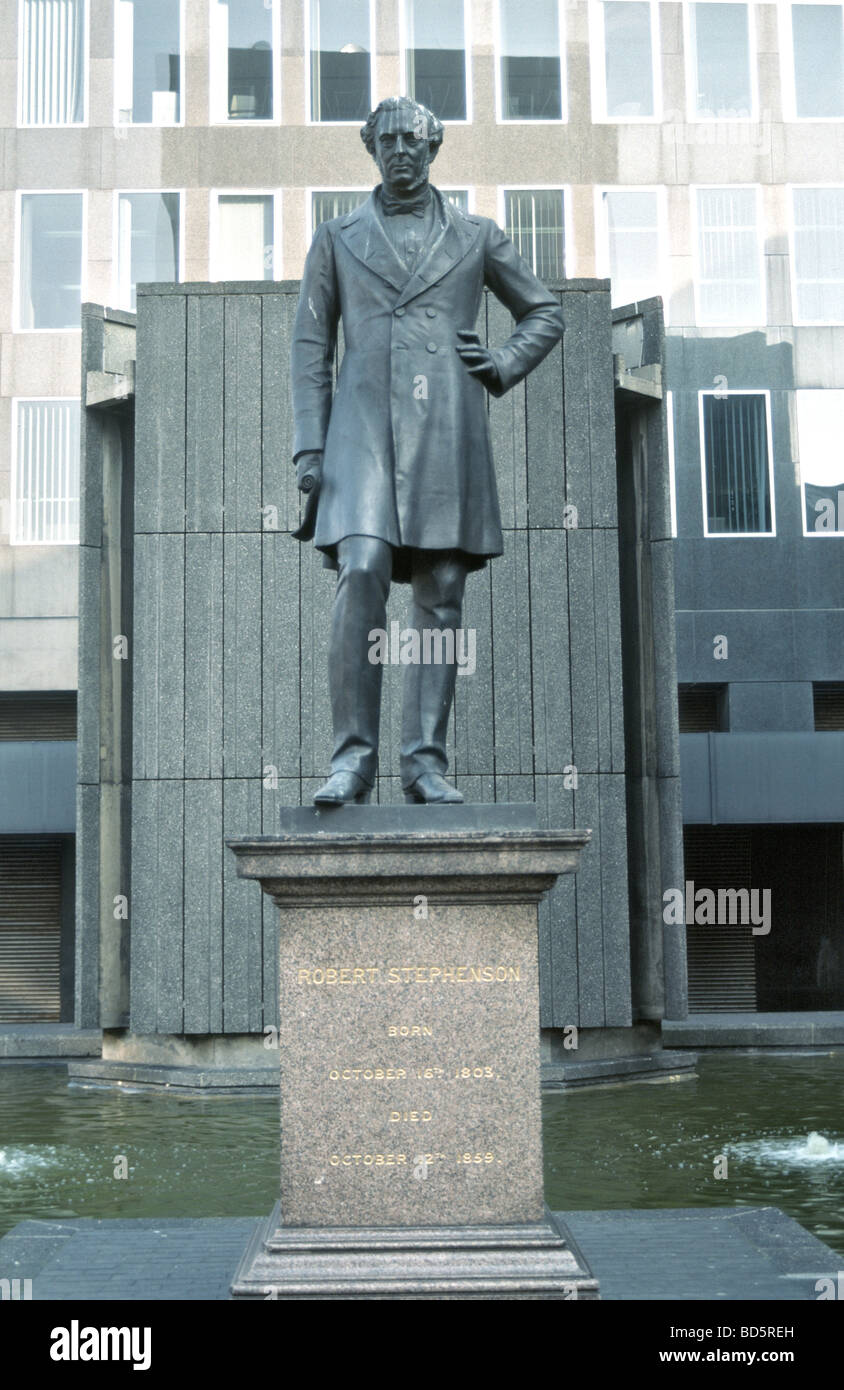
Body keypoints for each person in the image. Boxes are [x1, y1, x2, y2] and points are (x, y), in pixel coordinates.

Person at [291, 95, 564, 804]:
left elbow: (544, 310)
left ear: (434, 148)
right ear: (372, 149)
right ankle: (351, 759)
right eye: (388, 139)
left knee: (442, 589)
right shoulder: (337, 237)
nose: (401, 150)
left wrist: (501, 363)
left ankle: (424, 763)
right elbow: (311, 346)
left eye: (413, 139)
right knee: (362, 566)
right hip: (360, 438)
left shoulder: (475, 235)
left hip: (446, 429)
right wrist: (308, 449)